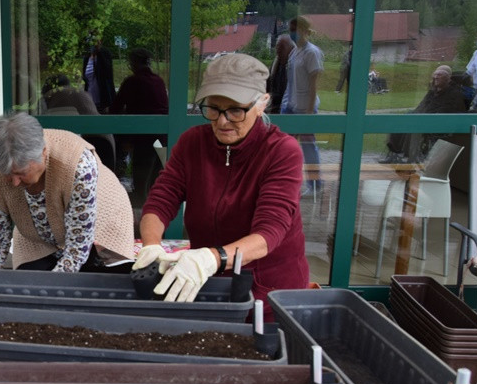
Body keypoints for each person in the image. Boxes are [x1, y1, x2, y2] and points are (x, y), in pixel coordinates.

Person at [134, 53, 309, 317]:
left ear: (262, 104)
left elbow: (269, 233)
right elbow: (161, 199)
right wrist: (151, 244)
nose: (222, 121)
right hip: (208, 283)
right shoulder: (193, 143)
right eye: (213, 108)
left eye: (236, 110)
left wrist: (211, 258)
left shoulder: (281, 151)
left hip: (270, 291)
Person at [0, 112, 134, 273]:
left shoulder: (77, 165)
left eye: (21, 173)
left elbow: (76, 249)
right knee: (28, 280)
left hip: (99, 223)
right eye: (8, 175)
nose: (15, 182)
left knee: (90, 280)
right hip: (37, 234)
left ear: (43, 153)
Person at [109, 47, 169, 199]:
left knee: (141, 180)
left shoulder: (132, 81)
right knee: (157, 178)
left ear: (134, 63)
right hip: (162, 136)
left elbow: (115, 108)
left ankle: (141, 213)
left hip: (143, 137)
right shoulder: (158, 81)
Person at [385, 65, 468, 160]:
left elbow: (444, 113)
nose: (435, 77)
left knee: (412, 125)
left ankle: (407, 155)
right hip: (424, 118)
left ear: (448, 78)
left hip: (437, 123)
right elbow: (421, 106)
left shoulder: (454, 94)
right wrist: (414, 114)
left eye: (439, 75)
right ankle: (395, 152)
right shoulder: (432, 92)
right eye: (435, 74)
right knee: (399, 121)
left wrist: (421, 117)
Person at [282, 16, 324, 195]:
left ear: (305, 31)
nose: (292, 33)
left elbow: (314, 83)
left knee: (308, 147)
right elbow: (291, 81)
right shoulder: (294, 52)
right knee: (284, 146)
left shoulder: (312, 52)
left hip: (305, 107)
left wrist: (308, 111)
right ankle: (284, 182)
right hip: (291, 106)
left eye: (296, 29)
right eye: (290, 29)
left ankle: (315, 185)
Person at [81, 32, 115, 113]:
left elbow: (107, 73)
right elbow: (86, 78)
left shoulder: (104, 54)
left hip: (103, 100)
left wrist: (99, 52)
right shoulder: (87, 57)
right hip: (90, 100)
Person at [266, 33, 293, 114]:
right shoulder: (275, 64)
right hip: (274, 106)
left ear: (291, 49)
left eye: (282, 47)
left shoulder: (294, 66)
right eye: (277, 47)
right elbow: (267, 84)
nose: (278, 50)